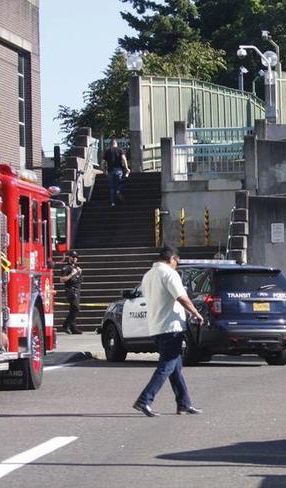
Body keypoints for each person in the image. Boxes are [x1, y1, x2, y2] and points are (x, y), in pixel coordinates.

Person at [133, 246, 204, 417]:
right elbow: (181, 297)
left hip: (156, 326)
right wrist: (195, 312)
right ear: (171, 258)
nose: (176, 265)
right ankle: (144, 400)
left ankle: (184, 404)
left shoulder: (148, 275)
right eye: (176, 261)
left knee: (175, 368)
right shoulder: (169, 274)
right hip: (171, 326)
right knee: (166, 366)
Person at [59, 251, 83, 335]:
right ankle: (65, 325)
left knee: (73, 309)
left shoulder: (76, 267)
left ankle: (73, 328)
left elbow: (78, 280)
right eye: (73, 256)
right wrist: (71, 274)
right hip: (71, 290)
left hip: (77, 290)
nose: (75, 258)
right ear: (69, 257)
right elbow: (62, 279)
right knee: (76, 308)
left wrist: (79, 272)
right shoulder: (66, 268)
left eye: (76, 257)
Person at [102, 138, 130, 207]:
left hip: (110, 171)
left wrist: (104, 170)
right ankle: (118, 191)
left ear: (110, 144)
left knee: (112, 187)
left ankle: (113, 203)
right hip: (118, 170)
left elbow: (103, 162)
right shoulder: (120, 150)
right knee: (120, 182)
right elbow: (124, 159)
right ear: (116, 144)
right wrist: (126, 168)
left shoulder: (107, 151)